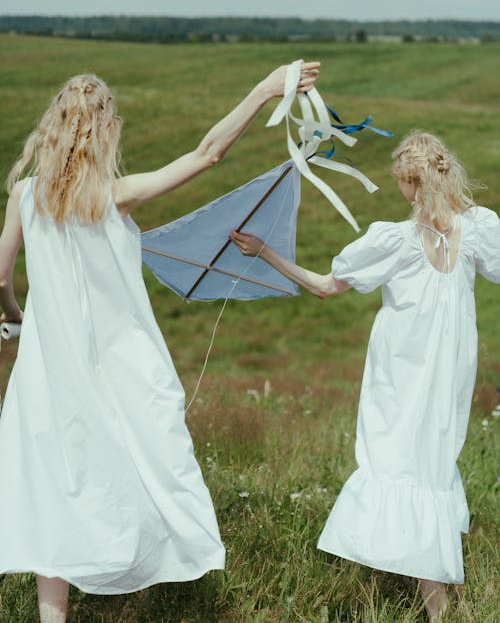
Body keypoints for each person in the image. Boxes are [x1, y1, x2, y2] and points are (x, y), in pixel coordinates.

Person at [0, 60, 320, 623]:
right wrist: (264, 90)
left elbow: (0, 277)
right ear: (104, 129)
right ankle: (138, 568)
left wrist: (17, 316)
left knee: (53, 484)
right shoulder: (115, 194)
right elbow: (206, 154)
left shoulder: (24, 195)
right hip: (114, 372)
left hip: (44, 374)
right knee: (146, 467)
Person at [231, 131, 500, 621]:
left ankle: (432, 598)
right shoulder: (477, 229)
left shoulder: (396, 240)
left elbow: (325, 287)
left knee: (400, 464)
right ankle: (436, 595)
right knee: (429, 469)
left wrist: (265, 252)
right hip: (447, 377)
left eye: (401, 182)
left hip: (402, 378)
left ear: (412, 182)